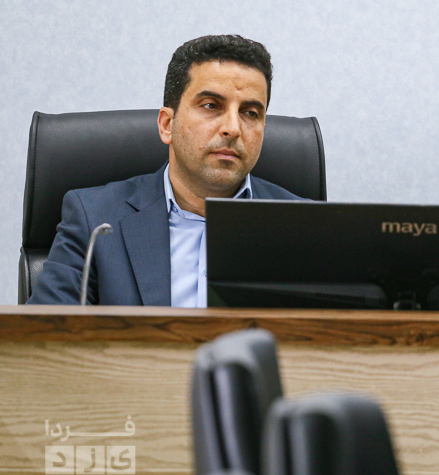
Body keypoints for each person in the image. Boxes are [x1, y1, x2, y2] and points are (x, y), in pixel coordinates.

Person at [28, 34, 302, 307]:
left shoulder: (302, 227)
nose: (232, 128)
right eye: (211, 106)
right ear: (167, 124)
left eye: (250, 113)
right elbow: (46, 331)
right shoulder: (94, 219)